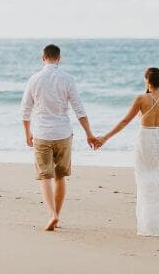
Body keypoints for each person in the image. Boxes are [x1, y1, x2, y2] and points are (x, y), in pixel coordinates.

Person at [96, 67, 159, 237]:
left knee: (146, 181)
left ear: (148, 81)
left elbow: (124, 121)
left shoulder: (141, 99)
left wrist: (105, 137)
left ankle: (152, 225)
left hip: (146, 141)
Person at [21, 44, 99, 231]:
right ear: (59, 58)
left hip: (42, 134)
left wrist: (27, 134)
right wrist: (89, 134)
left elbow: (25, 111)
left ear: (43, 58)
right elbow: (79, 110)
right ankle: (58, 215)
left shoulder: (34, 79)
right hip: (63, 133)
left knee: (45, 177)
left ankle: (52, 214)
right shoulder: (67, 79)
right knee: (60, 176)